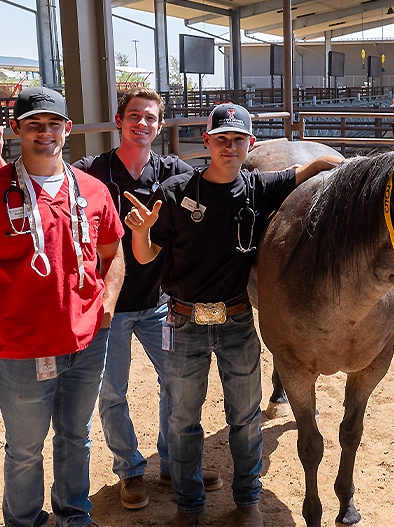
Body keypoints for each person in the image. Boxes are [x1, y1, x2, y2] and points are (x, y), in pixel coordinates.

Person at [0, 88, 223, 510]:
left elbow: (212, 187)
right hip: (109, 308)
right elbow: (36, 189)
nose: (143, 124)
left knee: (176, 384)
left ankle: (172, 460)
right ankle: (130, 470)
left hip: (160, 299)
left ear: (160, 126)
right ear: (119, 121)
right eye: (134, 116)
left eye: (151, 118)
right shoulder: (94, 171)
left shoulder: (174, 171)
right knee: (112, 392)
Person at [124, 102, 341, 527]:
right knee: (184, 420)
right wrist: (140, 232)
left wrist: (345, 165)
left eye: (238, 139)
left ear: (250, 144)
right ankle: (190, 506)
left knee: (245, 418)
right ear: (206, 142)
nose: (229, 146)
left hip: (237, 319)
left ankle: (248, 502)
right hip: (184, 321)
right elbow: (147, 256)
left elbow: (312, 166)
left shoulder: (260, 188)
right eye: (221, 138)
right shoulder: (174, 192)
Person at [0, 87, 126, 527]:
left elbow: (113, 254)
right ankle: (24, 522)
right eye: (34, 124)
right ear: (17, 130)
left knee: (76, 438)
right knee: (24, 449)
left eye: (53, 123)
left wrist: (108, 304)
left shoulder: (94, 191)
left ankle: (73, 516)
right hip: (22, 348)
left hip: (86, 342)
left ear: (68, 129)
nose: (45, 132)